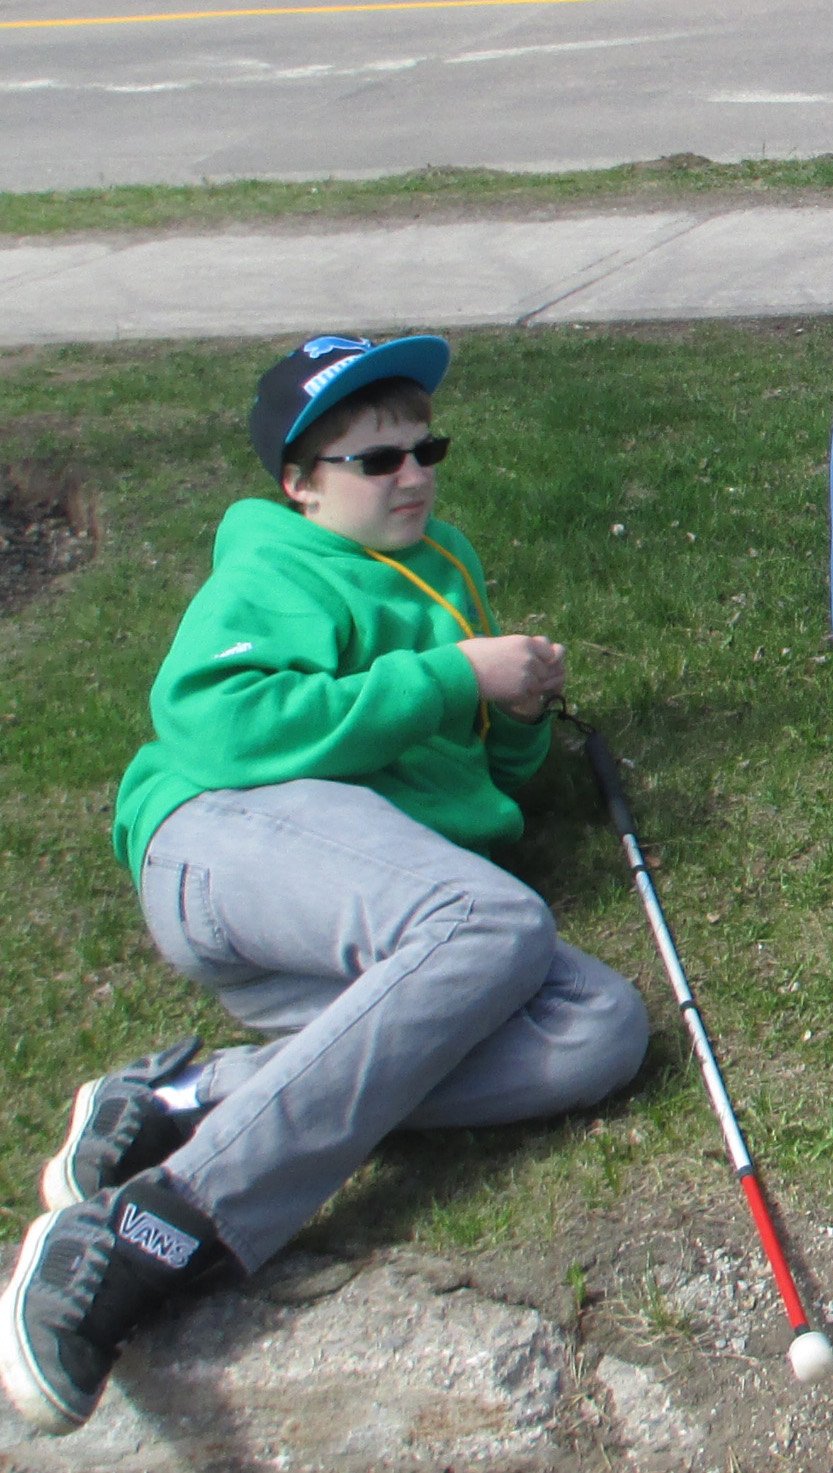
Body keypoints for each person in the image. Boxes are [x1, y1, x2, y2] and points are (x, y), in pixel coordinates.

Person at [5, 335, 651, 1437]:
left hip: (375, 912)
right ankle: (144, 1233)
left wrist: (517, 715)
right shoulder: (274, 566)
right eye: (374, 460)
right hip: (227, 845)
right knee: (491, 918)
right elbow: (218, 720)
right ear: (301, 483)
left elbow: (482, 786)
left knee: (602, 1028)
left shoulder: (445, 567)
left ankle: (179, 1103)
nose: (410, 475)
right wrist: (451, 674)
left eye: (424, 449)